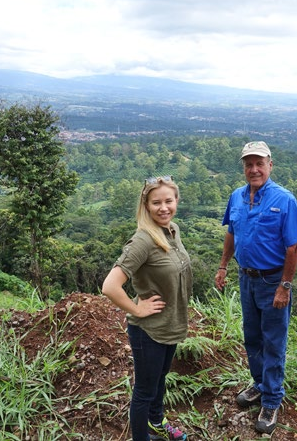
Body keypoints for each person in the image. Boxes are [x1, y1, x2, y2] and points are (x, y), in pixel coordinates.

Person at [214, 141, 297, 435]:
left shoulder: (284, 200)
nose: (254, 169)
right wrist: (223, 265)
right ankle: (260, 384)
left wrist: (285, 286)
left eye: (259, 164)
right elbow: (231, 232)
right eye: (248, 164)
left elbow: (293, 248)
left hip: (272, 280)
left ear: (270, 165)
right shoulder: (236, 197)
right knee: (252, 337)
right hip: (246, 277)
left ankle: (272, 399)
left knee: (273, 340)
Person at [102, 175, 191, 441]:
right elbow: (110, 286)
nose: (164, 208)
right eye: (156, 203)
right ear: (146, 206)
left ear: (176, 201)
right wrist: (138, 309)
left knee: (160, 379)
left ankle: (156, 422)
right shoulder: (142, 240)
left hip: (170, 325)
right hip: (149, 331)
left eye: (169, 201)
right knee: (144, 390)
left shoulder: (172, 230)